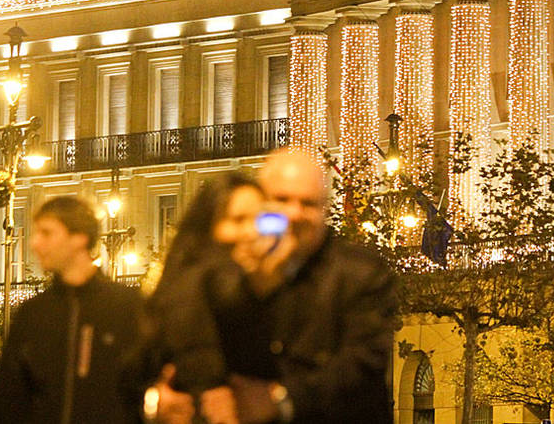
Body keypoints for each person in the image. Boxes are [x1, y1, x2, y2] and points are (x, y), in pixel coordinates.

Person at [156, 149, 398, 424]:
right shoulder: (224, 273)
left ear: (323, 209)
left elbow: (361, 366)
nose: (294, 214)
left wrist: (282, 399)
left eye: (307, 204)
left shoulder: (361, 273)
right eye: (281, 200)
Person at [135, 172, 269, 424]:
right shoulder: (193, 292)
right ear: (210, 224)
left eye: (260, 220)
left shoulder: (273, 285)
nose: (251, 231)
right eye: (238, 219)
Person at [0, 195, 143, 424]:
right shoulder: (32, 313)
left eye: (46, 233)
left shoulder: (128, 306)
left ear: (79, 237)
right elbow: (11, 399)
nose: (35, 243)